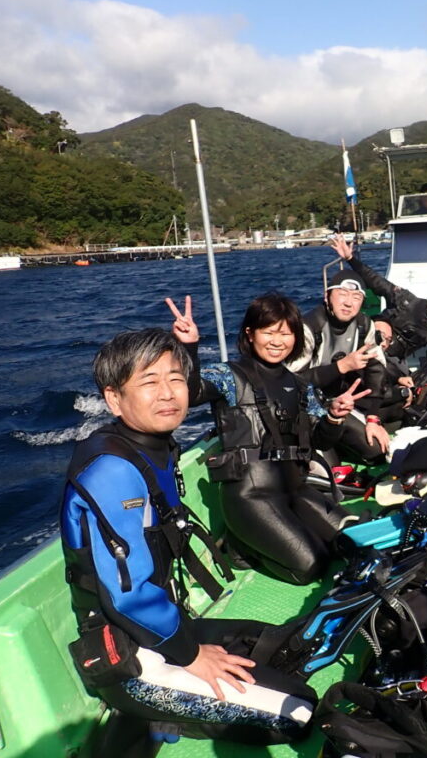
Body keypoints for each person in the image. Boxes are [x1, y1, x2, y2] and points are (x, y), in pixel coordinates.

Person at [60, 328, 317, 747]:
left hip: (167, 624)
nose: (168, 393)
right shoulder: (112, 469)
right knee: (298, 712)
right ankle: (148, 718)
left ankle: (172, 702)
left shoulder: (155, 446)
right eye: (149, 382)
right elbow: (127, 596)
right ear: (114, 399)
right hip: (126, 653)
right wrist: (192, 656)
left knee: (285, 647)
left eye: (176, 379)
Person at [168, 293, 365, 585]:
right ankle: (241, 548)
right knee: (311, 567)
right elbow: (190, 392)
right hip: (250, 497)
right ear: (250, 333)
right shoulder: (229, 376)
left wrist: (334, 417)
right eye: (269, 332)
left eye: (285, 333)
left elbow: (321, 442)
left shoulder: (300, 385)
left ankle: (276, 536)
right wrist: (188, 347)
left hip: (296, 489)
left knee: (354, 541)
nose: (277, 341)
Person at [288, 269, 389, 463]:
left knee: (377, 450)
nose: (348, 303)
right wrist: (341, 367)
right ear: (327, 296)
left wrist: (373, 418)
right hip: (308, 406)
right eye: (342, 294)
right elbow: (291, 381)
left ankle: (341, 443)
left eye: (356, 297)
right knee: (327, 467)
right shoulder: (308, 327)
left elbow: (377, 371)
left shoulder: (364, 325)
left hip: (341, 401)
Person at [328, 234, 427, 363]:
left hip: (392, 360)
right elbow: (376, 281)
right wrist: (350, 258)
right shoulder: (405, 300)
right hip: (371, 338)